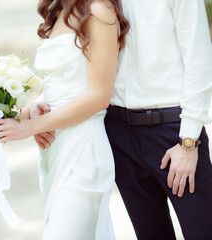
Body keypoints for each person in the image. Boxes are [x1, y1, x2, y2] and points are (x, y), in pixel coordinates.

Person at [31, 0, 212, 239]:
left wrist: (188, 142)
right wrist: (40, 101)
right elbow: (77, 64)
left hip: (172, 132)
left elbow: (199, 60)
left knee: (203, 232)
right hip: (118, 133)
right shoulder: (95, 3)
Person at [0, 0, 129, 238]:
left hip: (83, 153)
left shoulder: (100, 11)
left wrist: (31, 127)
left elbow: (99, 96)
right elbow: (57, 85)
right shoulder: (58, 11)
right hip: (54, 149)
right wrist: (20, 115)